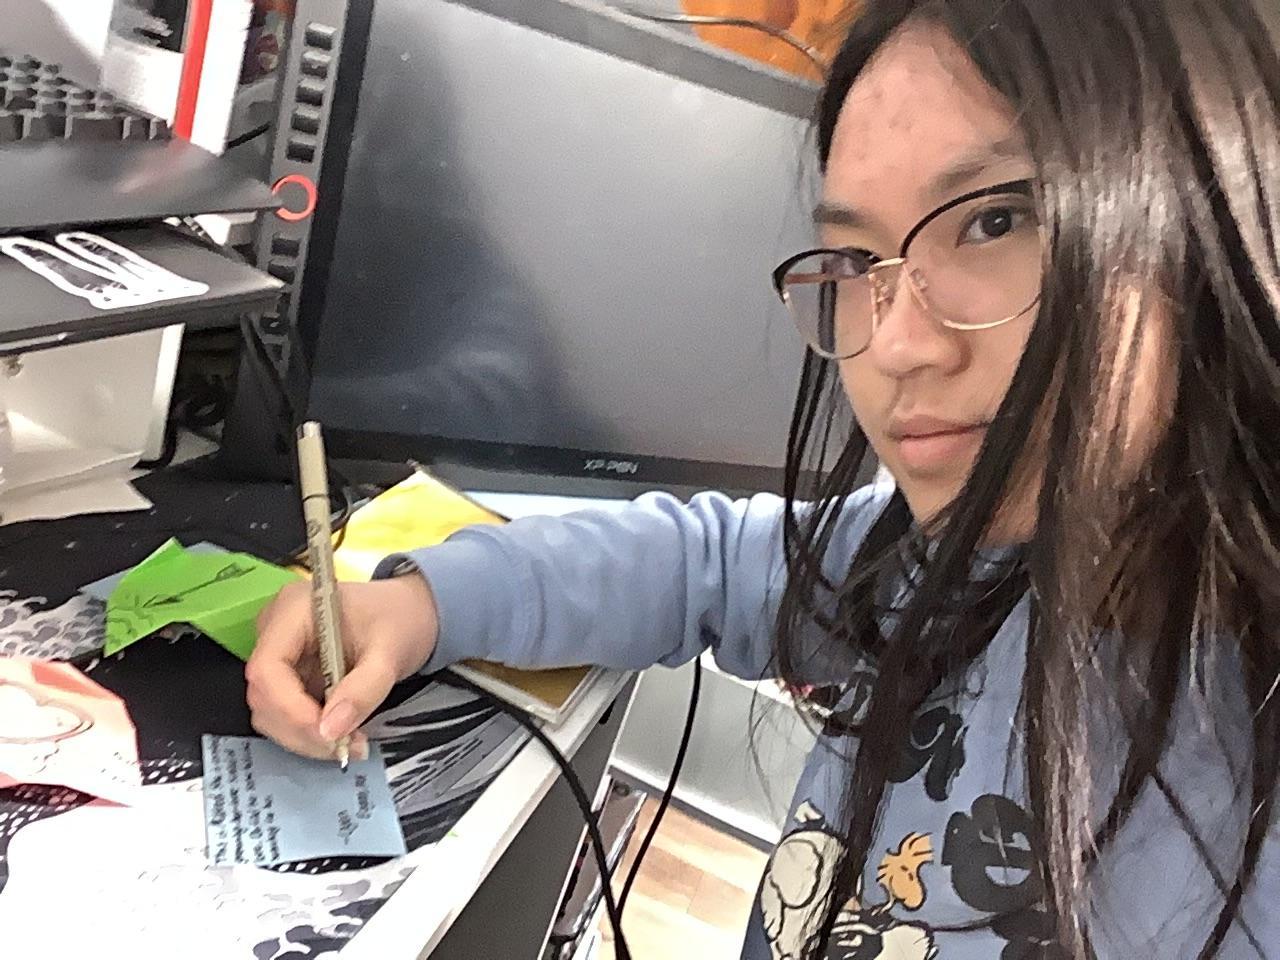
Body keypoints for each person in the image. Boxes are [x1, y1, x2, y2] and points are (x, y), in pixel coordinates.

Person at [247, 0, 1280, 956]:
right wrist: (423, 603)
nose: (893, 345)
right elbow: (708, 562)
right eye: (856, 263)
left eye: (995, 220)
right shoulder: (938, 559)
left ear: (1214, 218)